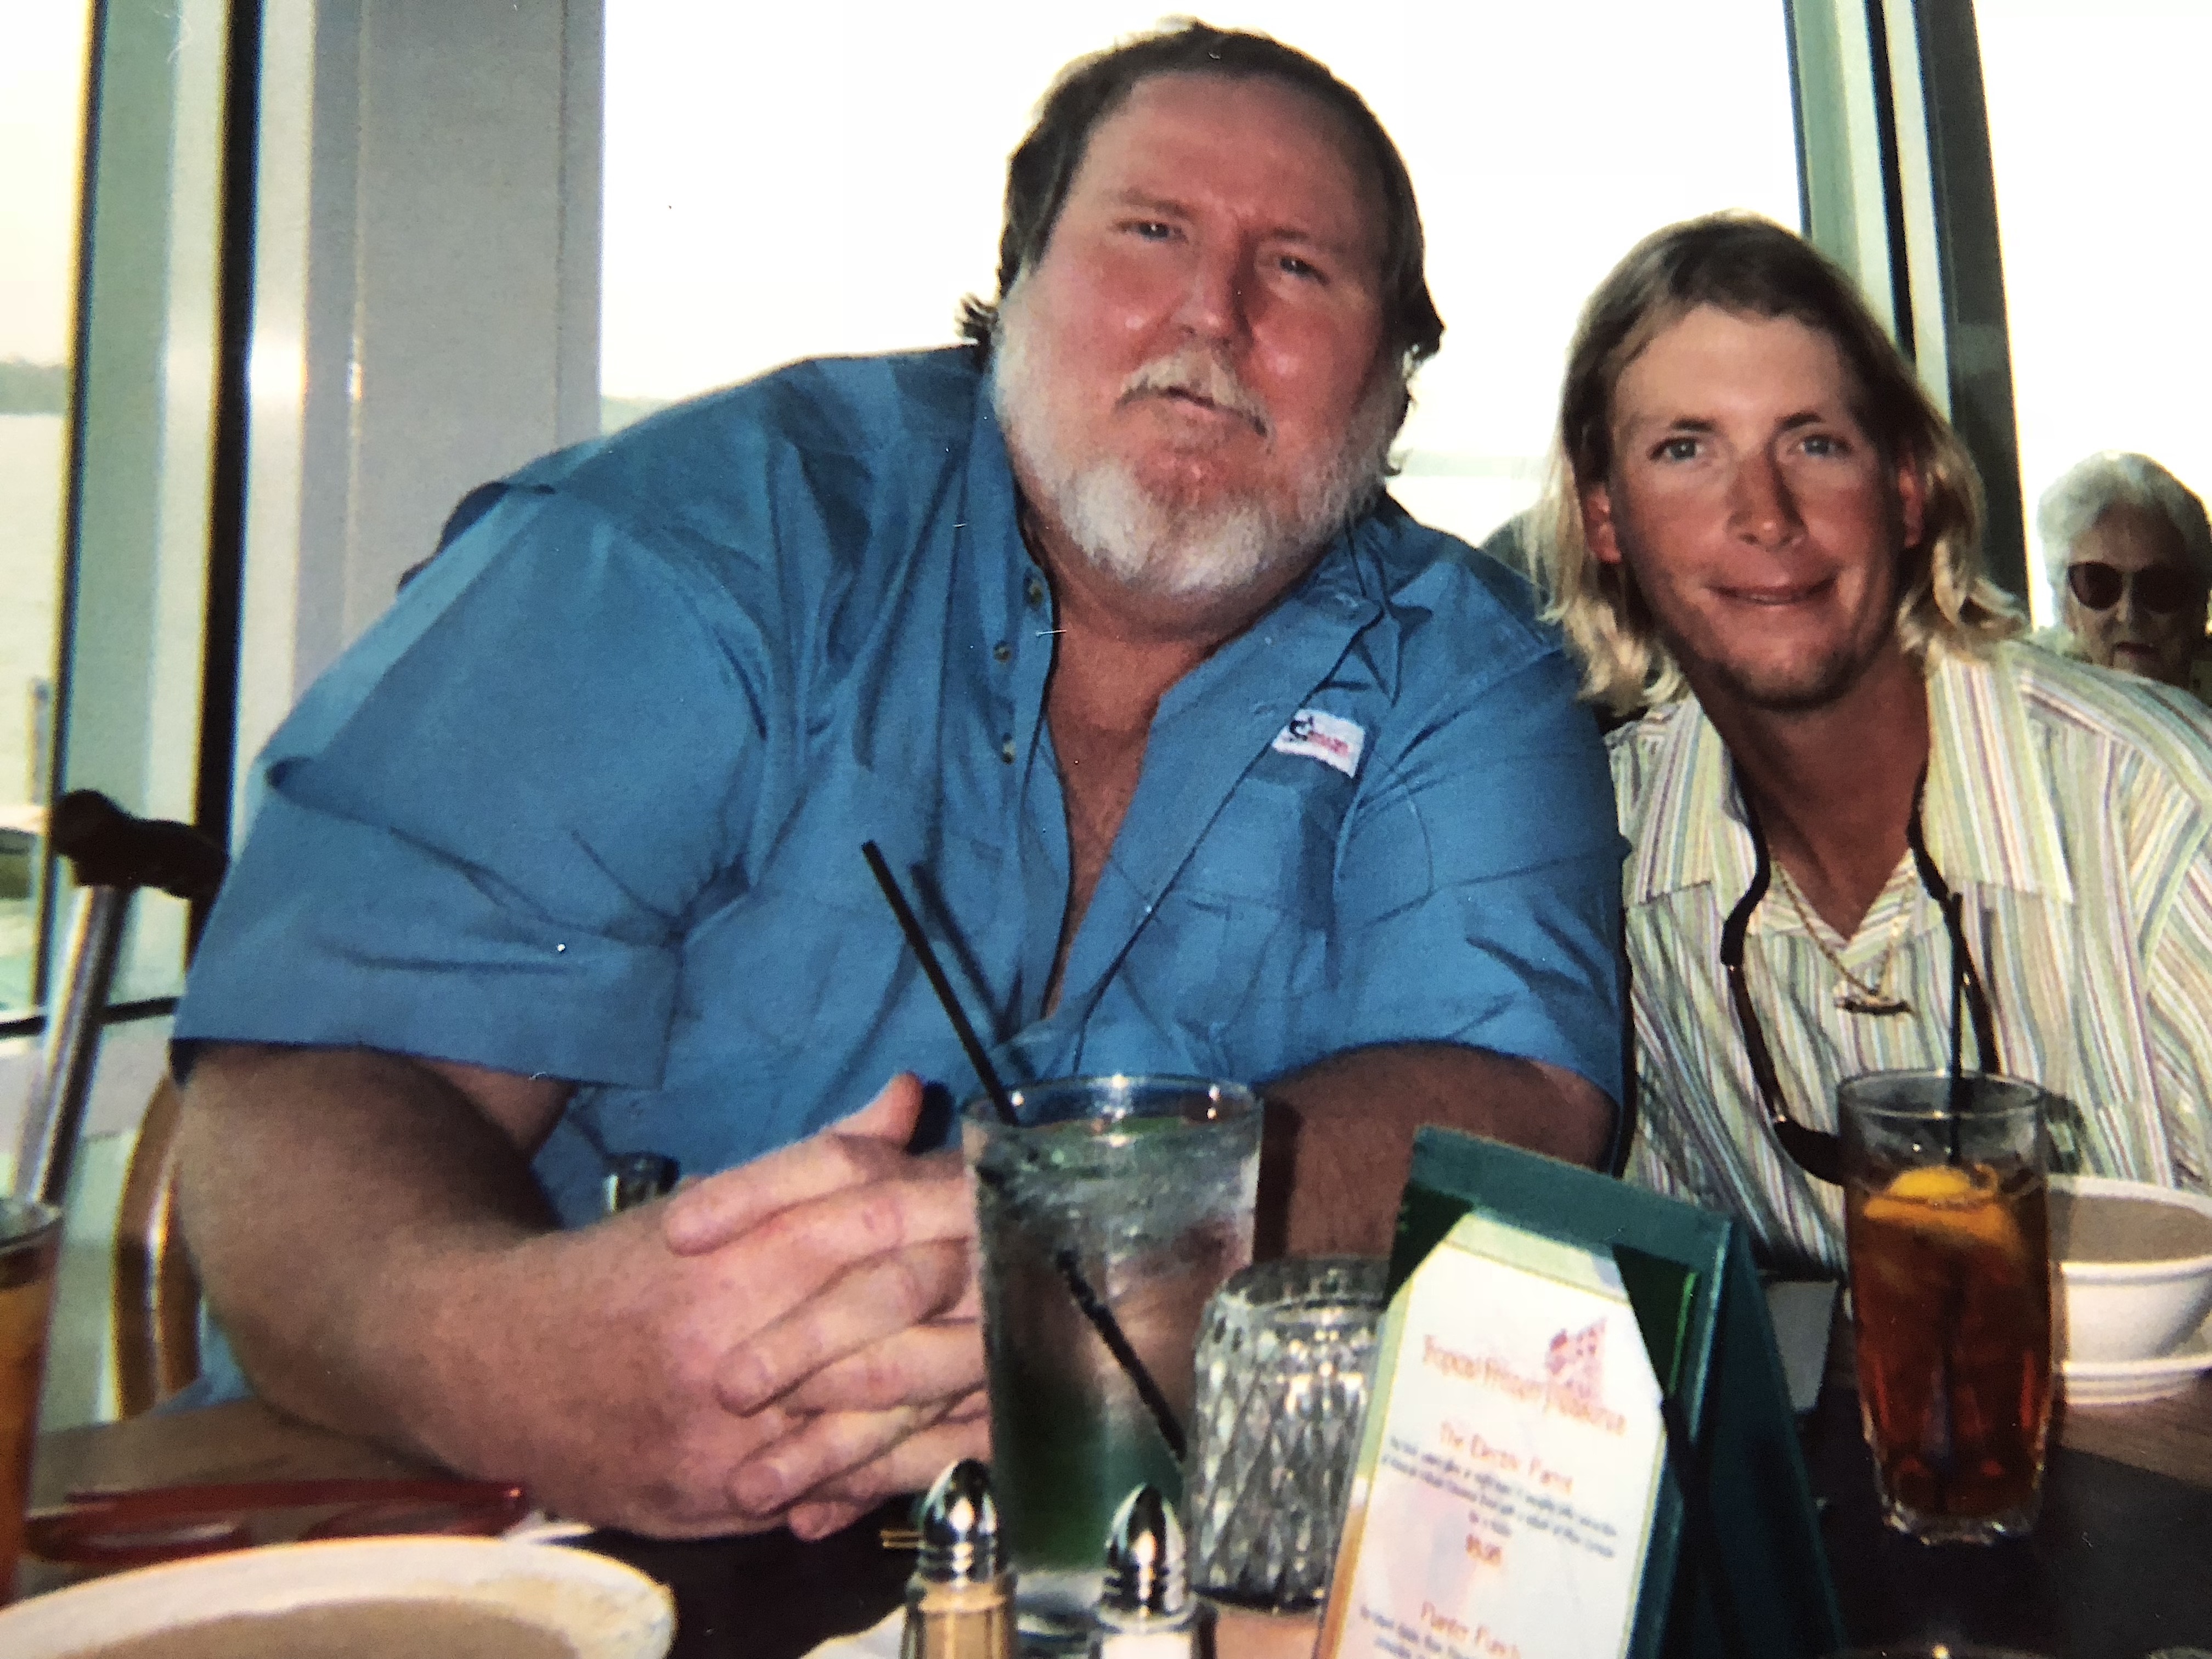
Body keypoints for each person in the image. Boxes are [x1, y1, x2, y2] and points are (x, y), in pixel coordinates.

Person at [172, 24, 1625, 1541]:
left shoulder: (1461, 666)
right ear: (1014, 283)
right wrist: (493, 1355)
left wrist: (1125, 1253)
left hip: (1121, 1553)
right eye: (1151, 233)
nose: (1212, 311)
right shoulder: (705, 547)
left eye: (1304, 270)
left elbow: (1513, 1094)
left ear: (1393, 384)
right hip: (494, 1532)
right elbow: (316, 1075)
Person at [1536, 212, 2212, 1277]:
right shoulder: (1608, 857)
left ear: (1905, 492)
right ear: (1606, 517)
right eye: (1685, 449)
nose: (1765, 514)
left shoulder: (2160, 816)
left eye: (1814, 442)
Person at [2035, 450, 2212, 702]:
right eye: (2098, 583)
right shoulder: (2029, 710)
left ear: (2199, 607)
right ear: (2066, 605)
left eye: (2159, 587)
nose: (2128, 613)